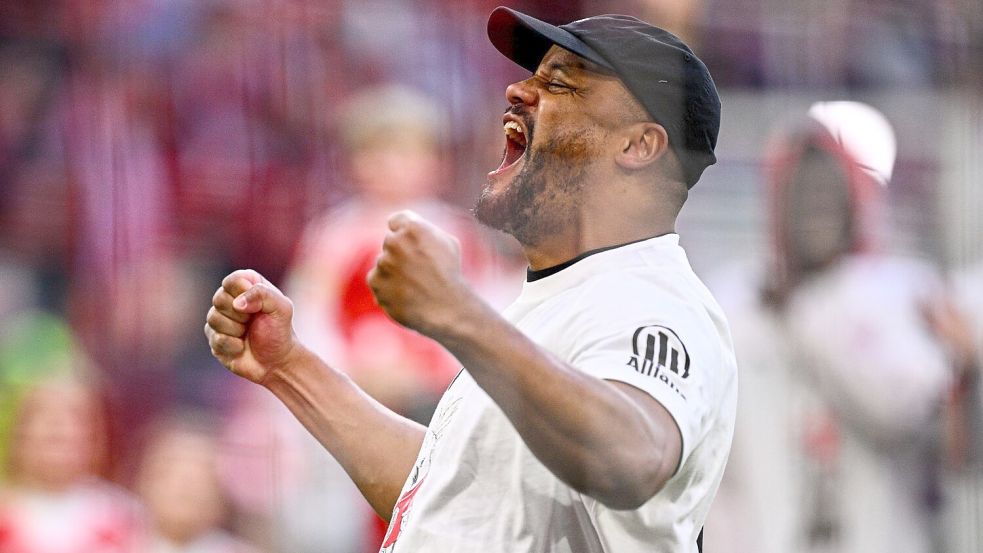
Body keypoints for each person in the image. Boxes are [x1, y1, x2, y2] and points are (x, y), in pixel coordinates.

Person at [204, 7, 736, 553]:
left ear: (638, 145)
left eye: (557, 84)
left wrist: (458, 315)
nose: (516, 90)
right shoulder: (555, 300)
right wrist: (291, 368)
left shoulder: (652, 300)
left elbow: (634, 456)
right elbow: (447, 495)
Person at [704, 102, 957, 553]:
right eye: (803, 192)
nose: (816, 208)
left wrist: (806, 314)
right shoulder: (733, 301)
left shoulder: (900, 292)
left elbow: (901, 413)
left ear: (854, 200)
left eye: (828, 191)